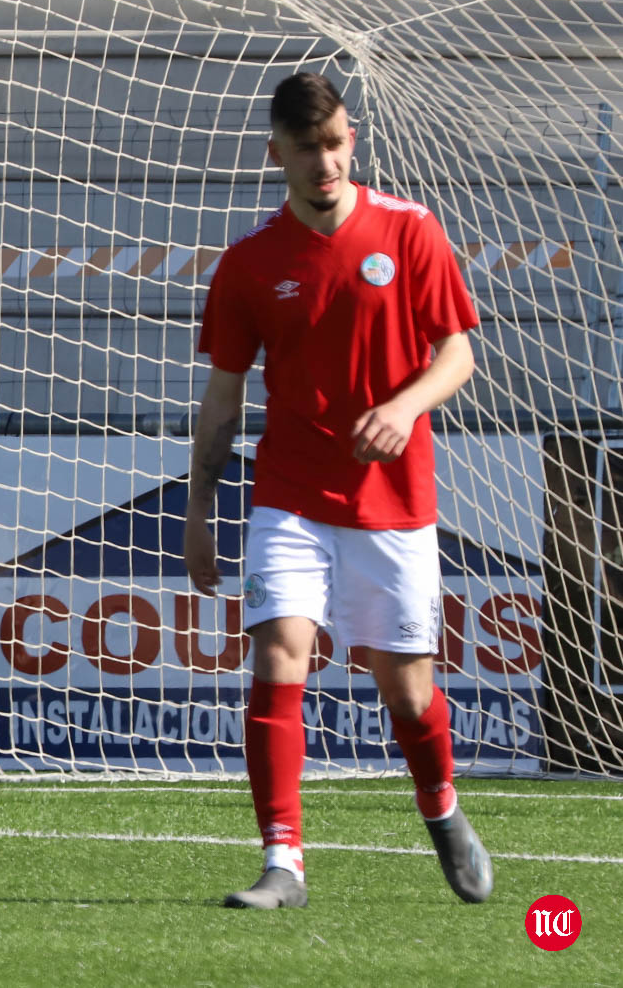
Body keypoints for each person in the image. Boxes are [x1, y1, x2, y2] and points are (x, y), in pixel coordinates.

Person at [184, 71, 492, 909]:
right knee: (279, 654)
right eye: (307, 147)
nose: (324, 161)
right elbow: (223, 396)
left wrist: (404, 405)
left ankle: (442, 807)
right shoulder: (249, 265)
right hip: (288, 494)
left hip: (392, 501)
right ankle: (283, 861)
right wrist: (200, 510)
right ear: (275, 152)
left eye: (335, 142)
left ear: (350, 140)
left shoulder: (412, 230)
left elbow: (459, 353)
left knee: (408, 689)